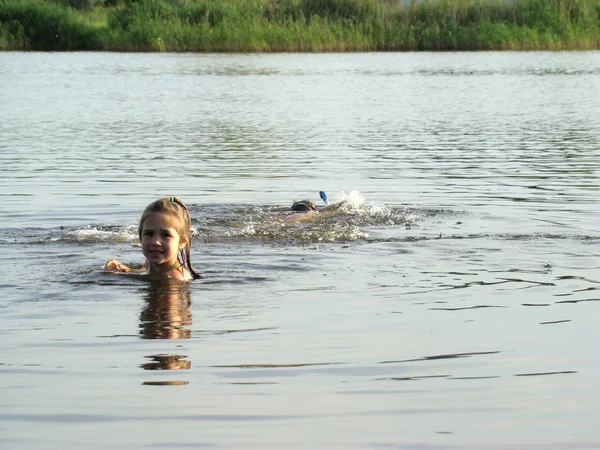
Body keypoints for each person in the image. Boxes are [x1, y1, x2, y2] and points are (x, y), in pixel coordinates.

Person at [104, 197, 200, 281]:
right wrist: (127, 270)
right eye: (149, 233)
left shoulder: (175, 279)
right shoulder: (150, 263)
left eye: (166, 235)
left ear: (181, 242)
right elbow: (146, 271)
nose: (156, 242)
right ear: (141, 237)